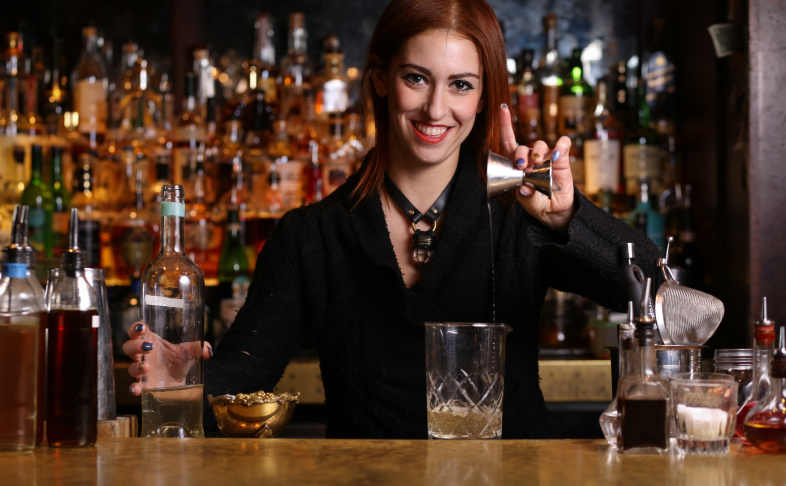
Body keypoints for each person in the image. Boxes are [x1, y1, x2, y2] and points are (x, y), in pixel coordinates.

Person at [124, 0, 661, 439]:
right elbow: (244, 377)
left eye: (461, 85)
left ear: (483, 99)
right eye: (416, 78)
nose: (435, 109)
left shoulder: (520, 215)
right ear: (381, 80)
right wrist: (181, 379)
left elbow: (653, 291)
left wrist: (567, 216)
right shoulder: (311, 236)